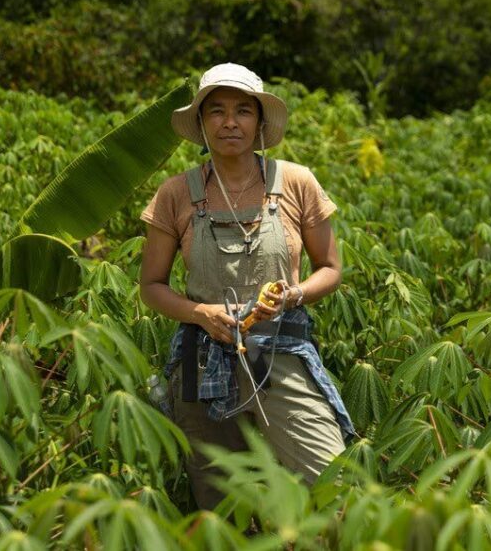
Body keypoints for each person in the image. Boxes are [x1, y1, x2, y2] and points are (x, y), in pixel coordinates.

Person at [139, 63, 355, 510]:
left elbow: (330, 267)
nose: (230, 122)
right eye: (216, 111)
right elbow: (152, 285)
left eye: (242, 111)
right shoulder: (176, 193)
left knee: (330, 483)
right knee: (218, 497)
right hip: (202, 356)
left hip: (279, 349)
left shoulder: (295, 181)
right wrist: (201, 313)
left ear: (259, 123)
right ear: (201, 124)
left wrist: (294, 295)